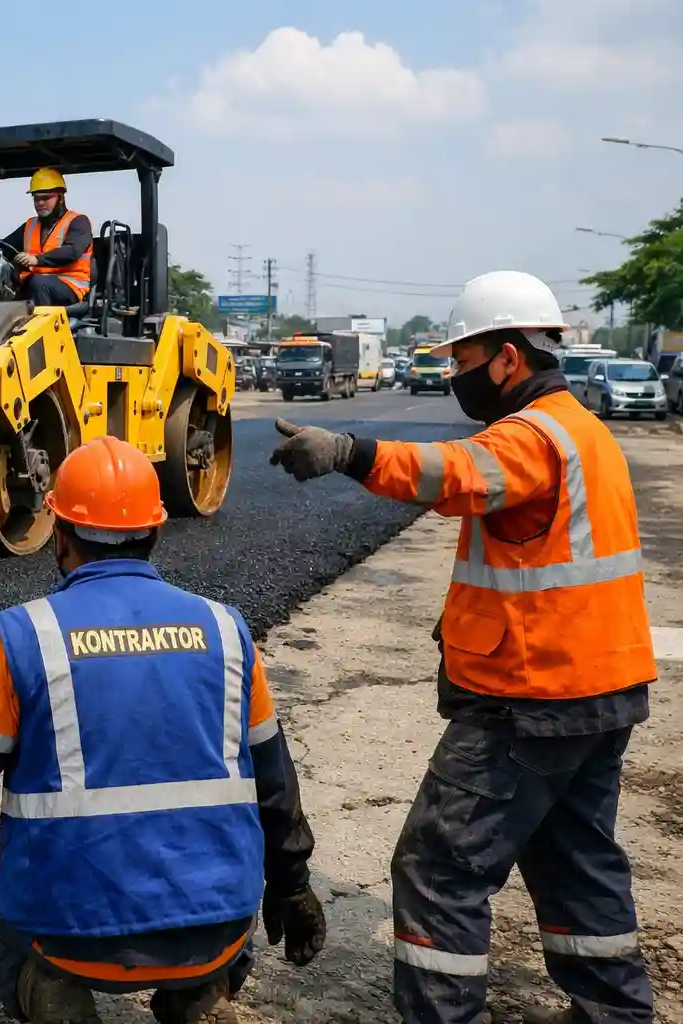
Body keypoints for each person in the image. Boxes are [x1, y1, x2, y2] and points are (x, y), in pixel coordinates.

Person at [268, 270, 656, 1024]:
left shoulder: (531, 436)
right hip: (603, 689)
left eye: (464, 360)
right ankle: (614, 1013)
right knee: (576, 861)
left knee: (439, 870)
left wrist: (348, 451)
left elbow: (453, 473)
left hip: (531, 698)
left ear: (508, 358)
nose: (454, 375)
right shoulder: (584, 430)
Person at [0, 435, 325, 1024]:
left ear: (60, 536)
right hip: (213, 927)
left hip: (69, 934)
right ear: (154, 532)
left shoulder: (21, 638)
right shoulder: (226, 631)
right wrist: (292, 884)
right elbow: (275, 780)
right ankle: (199, 995)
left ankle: (52, 996)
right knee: (214, 917)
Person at [0, 167, 93, 308]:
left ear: (60, 197)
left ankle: (41, 322)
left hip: (71, 285)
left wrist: (37, 260)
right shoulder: (30, 225)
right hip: (36, 283)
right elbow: (5, 246)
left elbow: (72, 251)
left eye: (46, 198)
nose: (40, 203)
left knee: (38, 283)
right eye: (36, 198)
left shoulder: (78, 222)